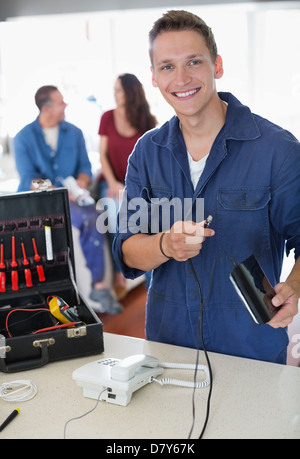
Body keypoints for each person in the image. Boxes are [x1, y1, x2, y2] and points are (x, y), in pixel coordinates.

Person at [113, 10, 300, 363]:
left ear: (217, 65)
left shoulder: (279, 150)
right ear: (153, 77)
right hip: (168, 347)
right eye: (167, 66)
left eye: (194, 62)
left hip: (251, 351)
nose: (181, 79)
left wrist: (293, 287)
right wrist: (166, 244)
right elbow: (127, 252)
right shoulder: (146, 153)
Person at [14, 85, 123, 314]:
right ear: (46, 108)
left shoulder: (74, 132)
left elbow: (85, 167)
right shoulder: (23, 137)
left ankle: (99, 287)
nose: (65, 106)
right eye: (61, 102)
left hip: (74, 199)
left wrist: (81, 183)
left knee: (93, 216)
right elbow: (27, 179)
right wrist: (60, 189)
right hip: (39, 201)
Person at [98, 74, 157, 298]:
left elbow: (151, 161)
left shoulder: (147, 120)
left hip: (138, 187)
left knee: (151, 220)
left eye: (120, 90)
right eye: (115, 90)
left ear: (131, 93)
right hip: (112, 185)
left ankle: (152, 284)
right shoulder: (107, 117)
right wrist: (113, 182)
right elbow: (102, 155)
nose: (115, 94)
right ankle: (120, 272)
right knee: (114, 214)